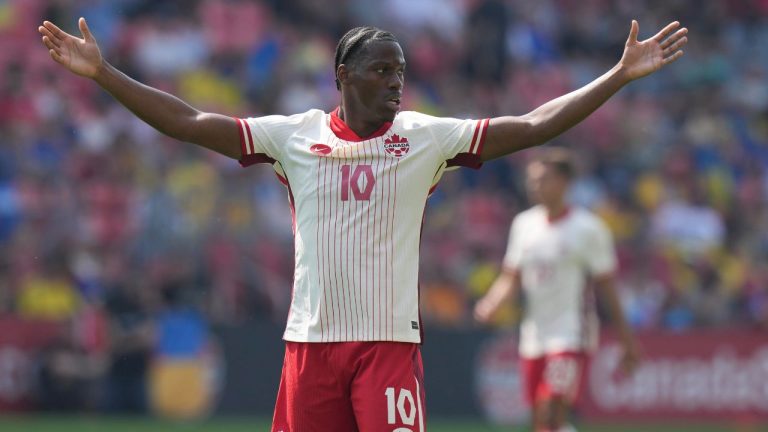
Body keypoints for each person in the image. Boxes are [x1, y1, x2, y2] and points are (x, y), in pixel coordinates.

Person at [38, 17, 685, 431]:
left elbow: (535, 124)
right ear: (342, 76)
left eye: (400, 73)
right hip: (309, 348)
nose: (395, 85)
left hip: (386, 349)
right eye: (381, 72)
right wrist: (103, 72)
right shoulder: (294, 136)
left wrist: (618, 76)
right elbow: (189, 122)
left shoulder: (426, 138)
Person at [474, 148, 640, 432]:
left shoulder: (588, 229)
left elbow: (607, 288)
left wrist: (627, 341)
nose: (534, 186)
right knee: (542, 419)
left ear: (564, 183)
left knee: (552, 406)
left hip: (571, 333)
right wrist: (491, 303)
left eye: (542, 179)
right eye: (532, 179)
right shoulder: (524, 224)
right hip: (533, 334)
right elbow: (510, 277)